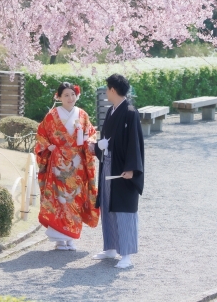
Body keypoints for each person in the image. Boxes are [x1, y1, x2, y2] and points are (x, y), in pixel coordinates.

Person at [34, 81, 99, 251]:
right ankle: (59, 239)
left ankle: (71, 238)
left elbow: (91, 135)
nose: (70, 98)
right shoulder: (52, 116)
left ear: (76, 95)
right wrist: (49, 147)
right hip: (57, 164)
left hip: (77, 164)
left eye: (72, 94)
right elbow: (41, 135)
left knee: (75, 199)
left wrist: (89, 142)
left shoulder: (83, 115)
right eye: (66, 95)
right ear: (59, 97)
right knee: (58, 199)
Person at [88, 73, 144, 269]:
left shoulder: (129, 111)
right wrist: (96, 147)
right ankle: (110, 247)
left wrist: (131, 169)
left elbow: (134, 143)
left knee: (123, 210)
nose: (105, 93)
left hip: (122, 169)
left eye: (107, 89)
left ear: (112, 89)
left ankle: (126, 254)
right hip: (108, 166)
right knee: (107, 205)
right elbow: (108, 141)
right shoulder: (112, 111)